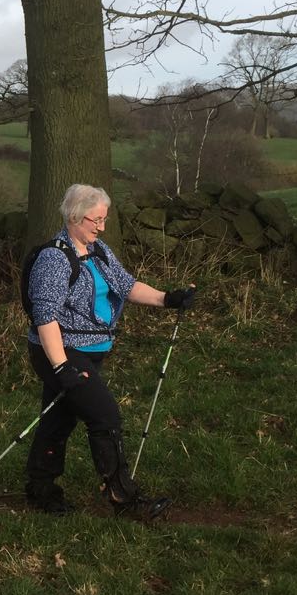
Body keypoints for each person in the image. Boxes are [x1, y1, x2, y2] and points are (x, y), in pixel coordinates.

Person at [23, 184, 196, 520]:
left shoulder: (98, 250)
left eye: (103, 219)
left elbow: (126, 285)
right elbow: (44, 317)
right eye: (96, 220)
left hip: (88, 352)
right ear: (75, 216)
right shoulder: (54, 259)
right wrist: (61, 367)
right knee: (105, 417)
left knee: (58, 419)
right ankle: (124, 499)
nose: (101, 227)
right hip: (60, 351)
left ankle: (40, 489)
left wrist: (166, 298)